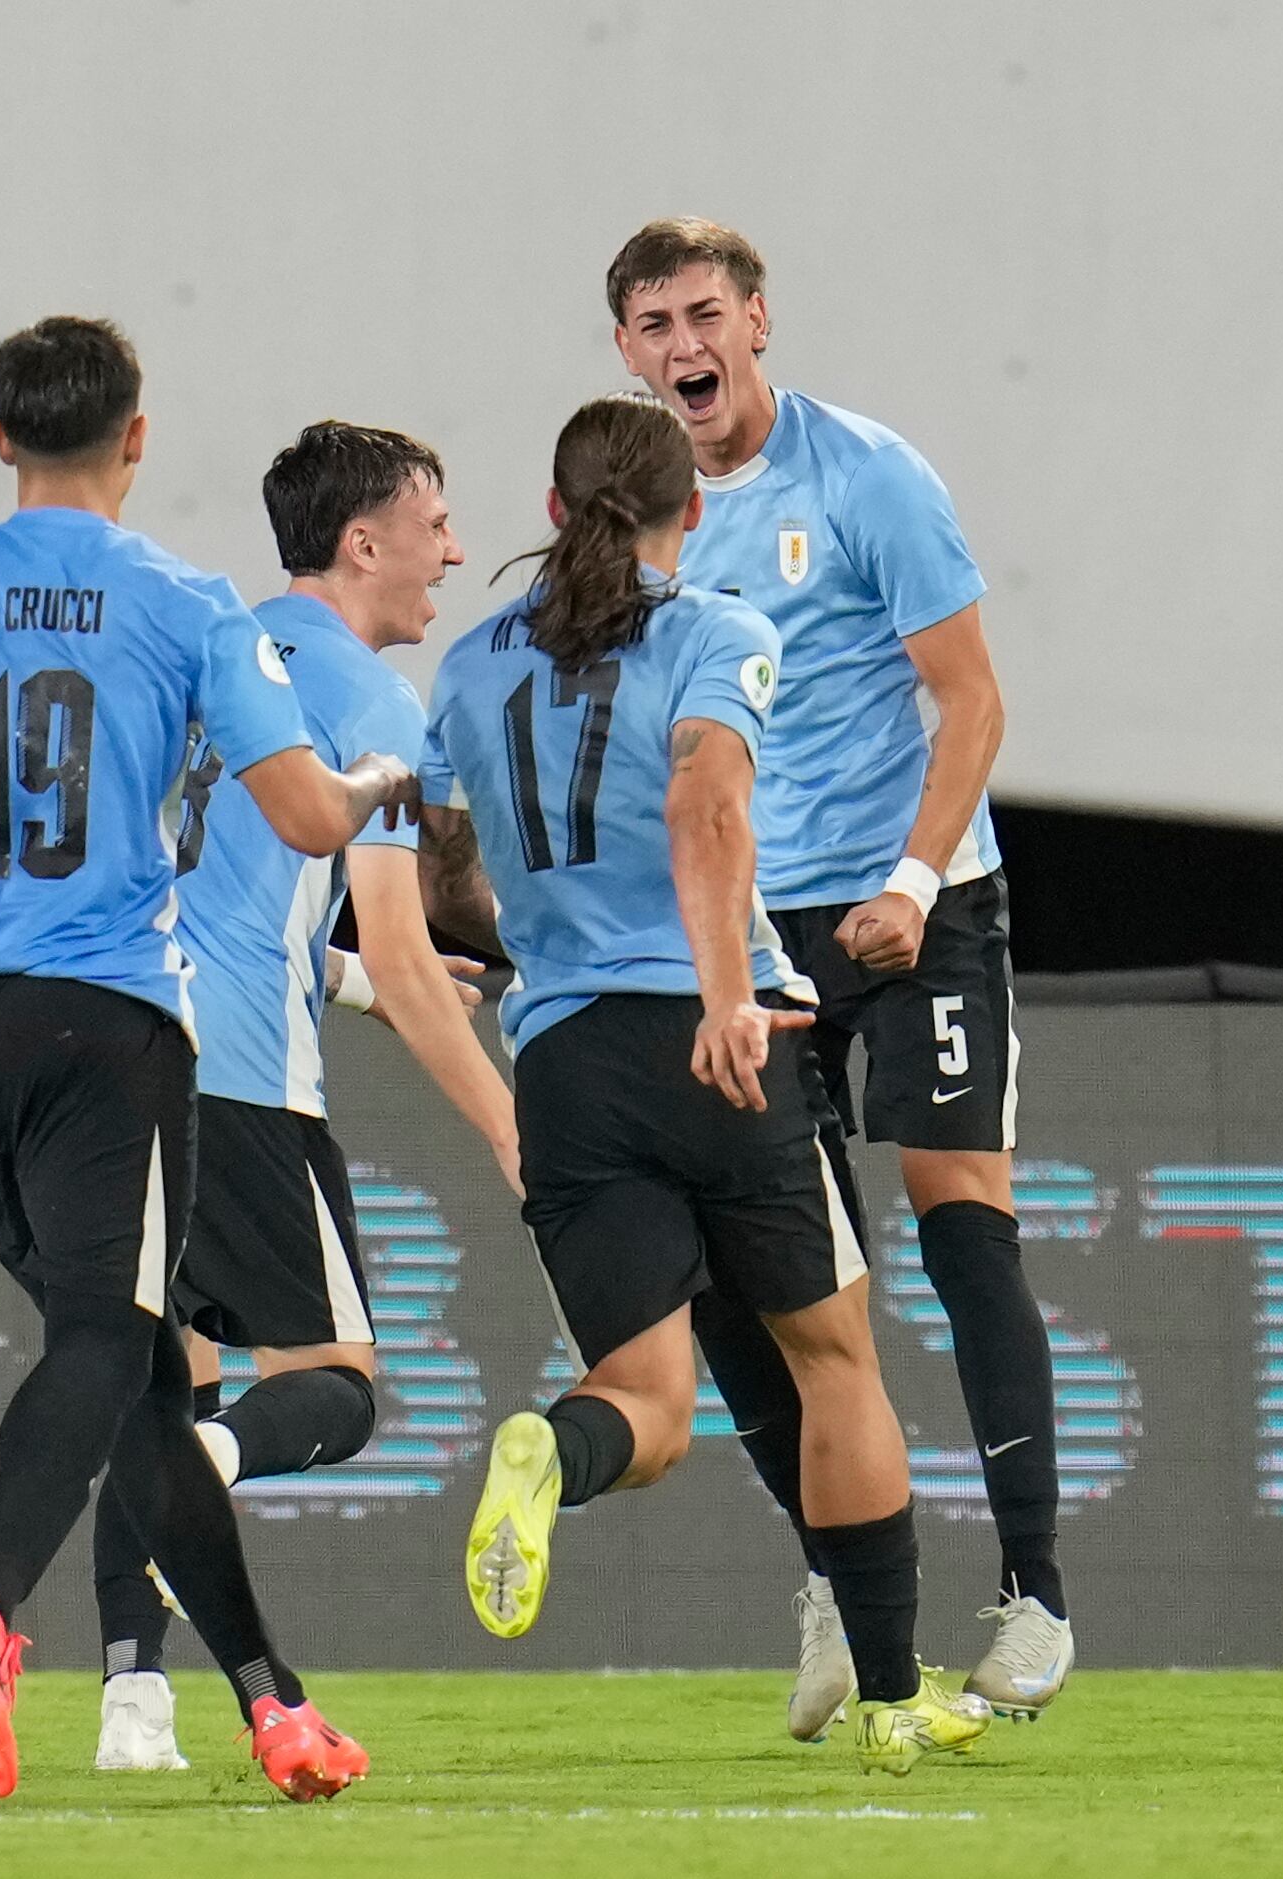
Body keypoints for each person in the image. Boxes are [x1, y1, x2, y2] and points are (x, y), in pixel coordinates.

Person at [0, 318, 404, 1803]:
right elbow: (312, 819)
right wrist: (379, 775)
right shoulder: (188, 604)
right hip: (106, 1026)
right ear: (136, 439)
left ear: (0, 438)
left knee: (140, 1375)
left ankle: (273, 1704)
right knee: (102, 1346)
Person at [418, 393, 987, 1777]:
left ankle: (552, 1455)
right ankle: (891, 1693)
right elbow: (707, 805)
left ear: (551, 514)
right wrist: (729, 989)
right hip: (712, 1044)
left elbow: (444, 869)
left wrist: (534, 944)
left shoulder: (468, 662)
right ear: (692, 512)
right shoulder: (716, 632)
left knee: (649, 1403)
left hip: (559, 1055)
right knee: (833, 1360)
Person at [606, 216, 1071, 1729]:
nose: (683, 347)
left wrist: (911, 880)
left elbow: (971, 699)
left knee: (960, 1222)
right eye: (651, 325)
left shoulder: (864, 472)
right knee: (764, 1275)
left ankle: (1034, 1598)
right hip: (758, 940)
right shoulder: (642, 525)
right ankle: (829, 1580)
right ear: (625, 352)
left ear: (756, 322)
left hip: (918, 902)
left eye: (702, 315)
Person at [88, 422, 523, 1773]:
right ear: (362, 541)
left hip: (110, 1056)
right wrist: (522, 1139)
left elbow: (189, 879)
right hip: (238, 1081)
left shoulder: (202, 655)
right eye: (435, 522)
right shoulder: (372, 708)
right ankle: (206, 1476)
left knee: (164, 1383)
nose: (453, 549)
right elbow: (401, 947)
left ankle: (130, 1708)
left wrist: (339, 975)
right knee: (334, 1390)